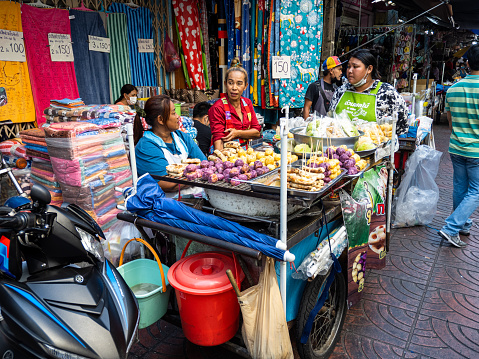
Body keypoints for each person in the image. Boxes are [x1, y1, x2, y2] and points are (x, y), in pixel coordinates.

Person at [438, 44, 479, 248]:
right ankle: (452, 227)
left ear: (468, 64)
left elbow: (450, 122)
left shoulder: (453, 89)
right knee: (476, 191)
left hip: (456, 147)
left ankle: (463, 224)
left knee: (460, 188)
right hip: (476, 151)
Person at [134, 95, 206, 197]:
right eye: (173, 113)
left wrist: (193, 174)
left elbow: (205, 164)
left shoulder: (181, 137)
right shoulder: (146, 147)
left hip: (195, 196)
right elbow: (167, 184)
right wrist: (197, 173)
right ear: (161, 119)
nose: (178, 116)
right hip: (167, 205)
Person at [329, 49, 408, 135]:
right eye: (348, 66)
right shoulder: (341, 91)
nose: (350, 71)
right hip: (341, 147)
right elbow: (330, 121)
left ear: (369, 69)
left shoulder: (387, 93)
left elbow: (401, 128)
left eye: (355, 67)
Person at [209, 58, 261, 151]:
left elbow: (257, 132)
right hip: (225, 155)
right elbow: (218, 141)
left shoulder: (247, 103)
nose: (234, 88)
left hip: (245, 154)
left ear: (245, 86)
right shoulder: (217, 108)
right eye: (230, 83)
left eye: (239, 84)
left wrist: (237, 133)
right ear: (225, 84)